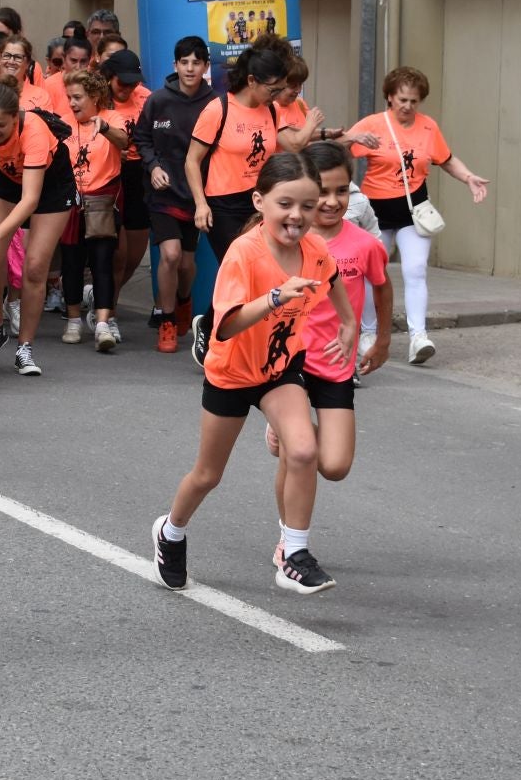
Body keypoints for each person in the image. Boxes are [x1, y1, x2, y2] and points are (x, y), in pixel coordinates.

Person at [152, 150, 352, 596]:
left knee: (303, 451)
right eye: (285, 204)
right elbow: (226, 325)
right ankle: (171, 531)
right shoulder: (245, 253)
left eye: (307, 204)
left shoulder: (315, 249)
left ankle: (294, 554)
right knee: (208, 475)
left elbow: (333, 278)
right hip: (232, 373)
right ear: (260, 201)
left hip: (279, 370)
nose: (297, 215)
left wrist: (349, 321)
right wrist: (277, 297)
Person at [184, 39, 359, 366]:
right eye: (273, 88)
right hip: (221, 203)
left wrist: (313, 129)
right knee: (240, 268)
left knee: (258, 269)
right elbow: (192, 160)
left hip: (260, 200)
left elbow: (290, 143)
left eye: (281, 89)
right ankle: (213, 327)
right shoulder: (218, 109)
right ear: (252, 81)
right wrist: (200, 204)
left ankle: (217, 326)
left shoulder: (270, 109)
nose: (278, 95)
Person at [260, 142, 392, 565]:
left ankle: (292, 437)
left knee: (334, 465)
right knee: (301, 453)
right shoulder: (285, 239)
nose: (333, 202)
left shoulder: (364, 245)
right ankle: (289, 542)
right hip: (290, 365)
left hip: (336, 364)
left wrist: (383, 340)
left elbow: (382, 287)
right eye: (326, 193)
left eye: (343, 192)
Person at [349, 67, 487, 365]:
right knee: (372, 275)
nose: (408, 106)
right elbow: (341, 147)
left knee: (415, 270)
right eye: (402, 99)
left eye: (414, 101)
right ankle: (368, 334)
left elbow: (446, 160)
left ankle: (418, 337)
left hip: (414, 210)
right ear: (389, 96)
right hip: (375, 210)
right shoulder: (374, 124)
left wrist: (468, 178)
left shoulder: (428, 127)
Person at [0, 82, 78, 377]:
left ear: (16, 117)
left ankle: (25, 347)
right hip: (6, 178)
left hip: (50, 186)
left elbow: (30, 201)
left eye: (1, 125)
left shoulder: (33, 131)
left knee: (35, 266)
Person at [137, 36, 212, 353]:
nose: (190, 68)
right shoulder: (157, 100)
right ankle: (167, 321)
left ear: (206, 67)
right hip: (162, 194)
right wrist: (153, 166)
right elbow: (141, 138)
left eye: (196, 62)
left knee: (185, 264)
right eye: (185, 62)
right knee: (169, 256)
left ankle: (184, 300)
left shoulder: (214, 104)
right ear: (175, 65)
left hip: (195, 196)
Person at [60, 68, 122, 350]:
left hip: (102, 200)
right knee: (71, 262)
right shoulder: (63, 124)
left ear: (95, 96)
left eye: (77, 97)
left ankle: (102, 324)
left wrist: (105, 128)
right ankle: (73, 320)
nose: (72, 103)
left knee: (102, 263)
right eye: (69, 97)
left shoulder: (112, 118)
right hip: (71, 201)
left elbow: (126, 141)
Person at [99, 47, 153, 306]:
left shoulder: (146, 98)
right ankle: (107, 310)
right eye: (122, 82)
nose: (128, 88)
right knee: (117, 255)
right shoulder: (97, 98)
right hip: (108, 174)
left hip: (139, 173)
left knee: (134, 254)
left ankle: (104, 296)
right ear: (109, 76)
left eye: (133, 82)